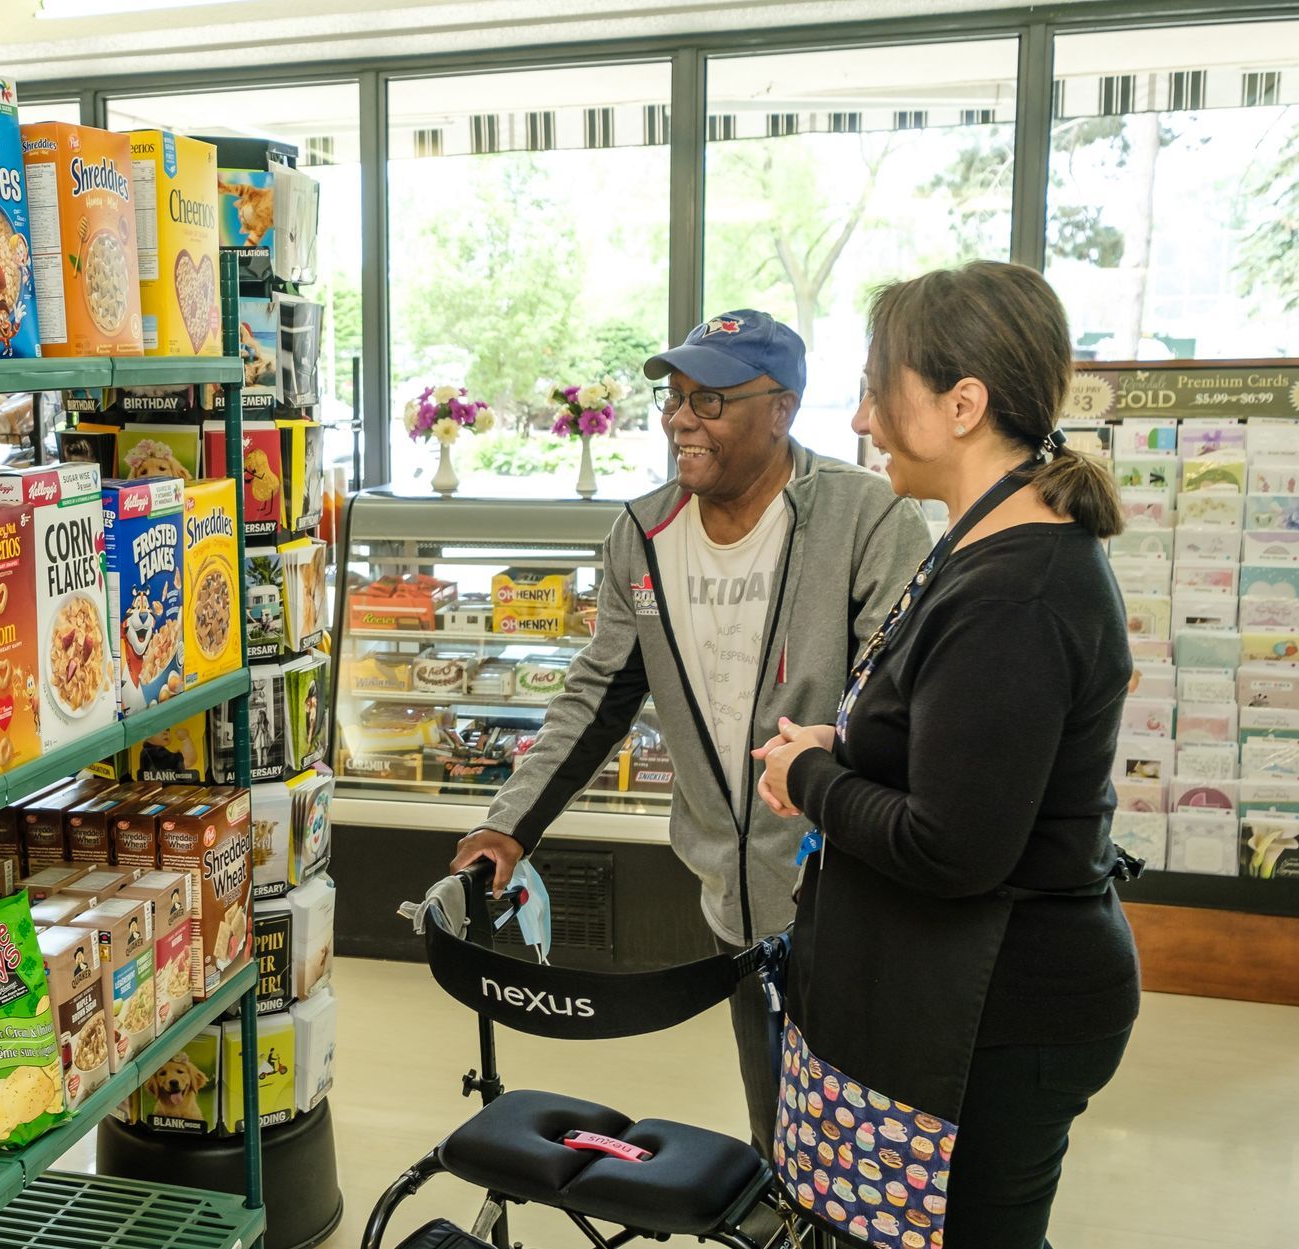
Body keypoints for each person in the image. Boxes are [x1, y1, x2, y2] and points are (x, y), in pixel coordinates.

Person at [451, 310, 931, 1153]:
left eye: (709, 400)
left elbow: (900, 704)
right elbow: (598, 692)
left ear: (779, 409)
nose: (681, 419)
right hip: (732, 899)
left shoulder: (864, 519)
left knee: (869, 1132)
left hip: (853, 891)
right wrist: (509, 822)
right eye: (674, 400)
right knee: (777, 1111)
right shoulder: (642, 535)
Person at [754, 261, 1139, 1247]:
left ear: (963, 404)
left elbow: (953, 844)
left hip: (1004, 1015)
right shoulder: (980, 547)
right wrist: (844, 742)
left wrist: (810, 777)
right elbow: (955, 744)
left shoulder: (1018, 590)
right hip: (964, 996)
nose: (861, 421)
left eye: (879, 390)